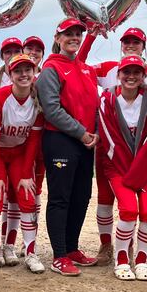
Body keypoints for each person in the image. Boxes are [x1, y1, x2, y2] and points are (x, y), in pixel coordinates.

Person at [76, 26, 147, 265]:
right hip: (108, 140)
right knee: (104, 197)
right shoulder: (109, 67)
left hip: (139, 146)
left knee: (135, 200)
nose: (131, 45)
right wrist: (90, 35)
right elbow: (79, 63)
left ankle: (130, 246)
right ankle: (105, 245)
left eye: (137, 41)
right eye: (127, 41)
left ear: (144, 46)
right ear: (121, 44)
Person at [35, 17, 100, 276]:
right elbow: (51, 109)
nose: (74, 37)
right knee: (61, 198)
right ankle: (59, 254)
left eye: (77, 34)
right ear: (58, 38)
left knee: (82, 197)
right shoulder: (51, 69)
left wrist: (92, 133)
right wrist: (81, 133)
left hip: (86, 142)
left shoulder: (87, 69)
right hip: (61, 140)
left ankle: (72, 248)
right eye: (68, 34)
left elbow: (94, 106)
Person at [0, 54, 46, 276]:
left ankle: (30, 253)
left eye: (28, 69)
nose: (23, 74)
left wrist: (27, 173)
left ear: (34, 72)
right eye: (18, 70)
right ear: (10, 74)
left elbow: (33, 141)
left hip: (19, 154)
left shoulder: (37, 99)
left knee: (27, 198)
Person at [96, 55, 147, 281]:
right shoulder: (107, 99)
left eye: (137, 72)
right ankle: (122, 259)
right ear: (118, 75)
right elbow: (108, 137)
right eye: (126, 72)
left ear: (144, 76)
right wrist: (129, 172)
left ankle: (142, 260)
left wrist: (139, 170)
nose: (131, 77)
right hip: (118, 167)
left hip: (146, 167)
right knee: (128, 210)